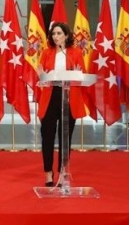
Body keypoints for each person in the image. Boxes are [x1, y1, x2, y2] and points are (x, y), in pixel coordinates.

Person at [37, 22, 85, 187]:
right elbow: (40, 74)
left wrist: (77, 74)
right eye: (53, 34)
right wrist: (41, 78)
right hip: (51, 96)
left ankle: (63, 172)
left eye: (59, 33)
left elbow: (81, 76)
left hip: (68, 97)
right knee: (47, 135)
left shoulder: (76, 53)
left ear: (66, 35)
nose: (56, 36)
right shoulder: (46, 53)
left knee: (65, 137)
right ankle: (48, 173)